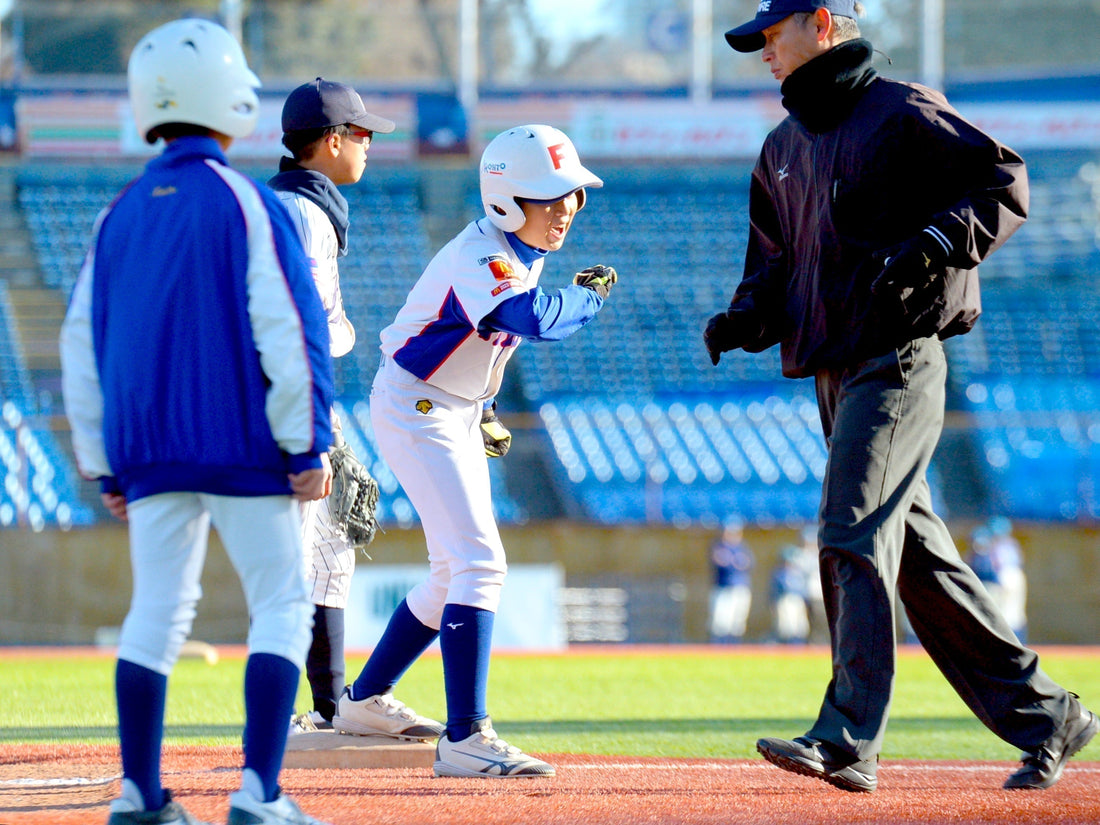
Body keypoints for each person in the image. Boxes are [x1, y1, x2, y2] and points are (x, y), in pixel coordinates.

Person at [705, 0, 1096, 794]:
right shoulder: (780, 147)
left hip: (898, 362)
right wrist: (745, 316)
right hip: (832, 374)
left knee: (849, 530)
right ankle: (1048, 714)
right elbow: (773, 263)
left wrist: (938, 243)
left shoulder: (902, 109)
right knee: (919, 564)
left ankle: (847, 736)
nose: (764, 55)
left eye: (771, 38)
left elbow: (1003, 179)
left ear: (823, 24)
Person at [59, 19, 334, 825]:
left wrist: (104, 463)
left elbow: (81, 345)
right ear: (229, 95)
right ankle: (260, 792)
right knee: (281, 601)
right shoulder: (246, 203)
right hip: (245, 448)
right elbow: (292, 330)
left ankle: (140, 792)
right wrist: (306, 443)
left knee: (157, 611)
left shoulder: (120, 214)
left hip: (149, 457)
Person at [332, 124, 614, 778]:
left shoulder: (522, 247)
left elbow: (478, 338)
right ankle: (466, 735)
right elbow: (530, 319)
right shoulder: (481, 251)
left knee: (449, 572)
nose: (568, 207)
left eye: (573, 194)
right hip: (418, 402)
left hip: (446, 404)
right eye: (552, 196)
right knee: (479, 563)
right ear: (506, 200)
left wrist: (482, 407)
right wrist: (589, 296)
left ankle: (365, 699)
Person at [268, 77, 395, 734]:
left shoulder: (279, 204)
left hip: (270, 397)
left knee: (315, 558)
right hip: (288, 403)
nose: (370, 144)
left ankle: (323, 704)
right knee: (312, 559)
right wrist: (314, 430)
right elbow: (305, 325)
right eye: (362, 131)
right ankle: (315, 711)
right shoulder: (307, 215)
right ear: (332, 140)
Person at [707, 517, 754, 643]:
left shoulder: (743, 547)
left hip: (740, 587)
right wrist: (734, 563)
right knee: (721, 621)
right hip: (723, 587)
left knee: (737, 622)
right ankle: (718, 647)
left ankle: (734, 648)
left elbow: (748, 564)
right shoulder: (719, 546)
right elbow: (721, 561)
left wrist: (733, 562)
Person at [987, 516, 1028, 642]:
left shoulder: (995, 544)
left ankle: (1008, 643)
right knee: (1016, 614)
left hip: (1004, 576)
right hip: (1017, 575)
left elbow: (996, 563)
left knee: (1004, 614)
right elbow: (1021, 561)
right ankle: (1020, 643)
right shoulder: (1012, 543)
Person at [769, 545, 810, 644]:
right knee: (787, 628)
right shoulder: (780, 573)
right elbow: (775, 592)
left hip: (798, 601)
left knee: (800, 628)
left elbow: (803, 590)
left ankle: (799, 648)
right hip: (785, 601)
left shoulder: (799, 574)